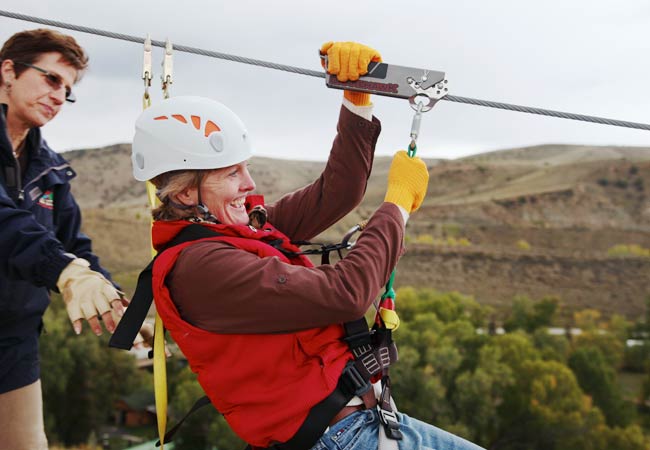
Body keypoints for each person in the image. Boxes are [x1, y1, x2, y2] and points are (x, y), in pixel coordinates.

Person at [131, 41, 483, 450]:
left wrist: (356, 99)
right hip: (339, 436)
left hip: (356, 425)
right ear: (187, 194)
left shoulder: (238, 235)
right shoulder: (202, 267)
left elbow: (335, 194)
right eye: (232, 174)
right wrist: (397, 208)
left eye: (246, 168)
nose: (250, 184)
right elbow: (346, 293)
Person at [0, 29, 127, 450]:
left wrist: (114, 301)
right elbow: (6, 223)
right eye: (51, 79)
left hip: (15, 345)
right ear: (8, 72)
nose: (59, 96)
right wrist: (67, 272)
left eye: (67, 90)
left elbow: (74, 245)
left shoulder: (49, 171)